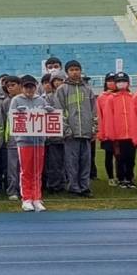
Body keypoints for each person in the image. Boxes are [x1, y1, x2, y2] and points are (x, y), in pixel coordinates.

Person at [54, 60, 96, 197]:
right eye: (71, 70)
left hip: (86, 132)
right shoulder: (62, 89)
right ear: (67, 72)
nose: (75, 72)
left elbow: (94, 110)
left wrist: (94, 128)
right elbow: (59, 111)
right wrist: (66, 129)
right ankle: (73, 187)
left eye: (77, 69)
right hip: (71, 133)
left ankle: (85, 187)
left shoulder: (88, 89)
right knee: (72, 162)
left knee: (85, 161)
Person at [10, 75, 51, 212]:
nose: (29, 90)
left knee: (37, 171)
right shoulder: (16, 100)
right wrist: (19, 113)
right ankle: (26, 198)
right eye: (26, 87)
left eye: (31, 87)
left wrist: (49, 112)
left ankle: (37, 198)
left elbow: (47, 117)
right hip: (24, 141)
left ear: (35, 87)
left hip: (39, 140)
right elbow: (12, 118)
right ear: (22, 87)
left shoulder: (41, 100)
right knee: (26, 170)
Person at [110, 72, 137, 189]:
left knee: (131, 158)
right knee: (120, 158)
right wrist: (111, 134)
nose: (121, 83)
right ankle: (121, 179)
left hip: (131, 134)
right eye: (119, 81)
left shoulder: (133, 97)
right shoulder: (111, 99)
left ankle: (130, 178)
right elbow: (109, 117)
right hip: (118, 134)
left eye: (124, 81)